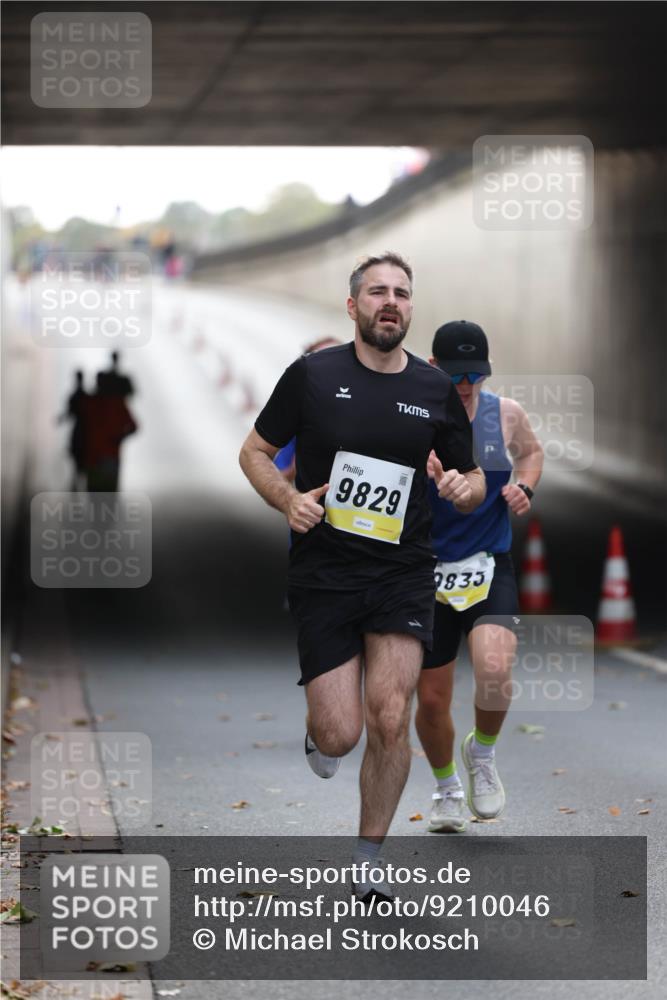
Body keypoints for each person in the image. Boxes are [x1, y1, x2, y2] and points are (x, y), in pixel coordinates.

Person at [239, 253, 486, 901]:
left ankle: (367, 860)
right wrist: (287, 500)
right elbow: (255, 453)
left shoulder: (434, 388)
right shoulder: (312, 377)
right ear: (352, 306)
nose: (390, 302)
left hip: (403, 572)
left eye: (401, 293)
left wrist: (464, 487)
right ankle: (319, 733)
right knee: (340, 733)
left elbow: (471, 479)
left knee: (387, 717)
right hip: (325, 572)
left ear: (410, 308)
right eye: (376, 291)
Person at [416, 320, 544, 833]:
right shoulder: (412, 417)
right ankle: (446, 786)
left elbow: (531, 454)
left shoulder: (504, 414)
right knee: (431, 698)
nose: (466, 385)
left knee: (494, 672)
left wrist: (525, 489)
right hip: (424, 571)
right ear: (432, 369)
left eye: (475, 374)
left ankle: (482, 755)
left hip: (488, 562)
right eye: (455, 375)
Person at [83, 372, 138, 492]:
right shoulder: (93, 402)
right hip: (99, 456)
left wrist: (119, 437)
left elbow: (134, 426)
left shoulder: (112, 403)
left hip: (103, 456)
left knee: (101, 493)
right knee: (102, 493)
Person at [56, 370, 88, 491]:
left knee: (78, 463)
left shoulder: (77, 395)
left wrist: (61, 419)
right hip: (83, 433)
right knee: (79, 463)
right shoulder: (83, 395)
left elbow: (69, 413)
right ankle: (78, 488)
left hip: (81, 433)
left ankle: (76, 488)